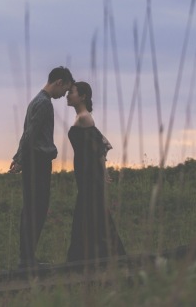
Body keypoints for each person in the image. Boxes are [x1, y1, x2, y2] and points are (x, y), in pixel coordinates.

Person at [9, 66, 74, 269]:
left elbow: (27, 132)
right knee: (36, 208)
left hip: (32, 160)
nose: (64, 95)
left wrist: (19, 156)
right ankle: (27, 259)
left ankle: (27, 257)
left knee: (32, 208)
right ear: (59, 82)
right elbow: (31, 134)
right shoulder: (44, 103)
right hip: (38, 161)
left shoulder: (36, 101)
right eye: (64, 90)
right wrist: (20, 158)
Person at [65, 81, 125, 263]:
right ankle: (96, 257)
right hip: (85, 174)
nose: (68, 95)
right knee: (92, 213)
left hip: (91, 175)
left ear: (82, 96)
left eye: (72, 92)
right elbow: (100, 142)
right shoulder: (81, 117)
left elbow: (99, 146)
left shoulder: (85, 118)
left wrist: (104, 171)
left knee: (91, 213)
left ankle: (85, 259)